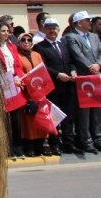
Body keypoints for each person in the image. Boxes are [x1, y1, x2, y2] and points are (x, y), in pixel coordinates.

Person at [33, 17, 78, 154]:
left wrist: (73, 70)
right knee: (55, 117)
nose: (52, 31)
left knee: (68, 116)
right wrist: (58, 74)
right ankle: (55, 144)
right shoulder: (40, 47)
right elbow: (43, 67)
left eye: (54, 28)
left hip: (68, 85)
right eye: (49, 28)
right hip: (53, 87)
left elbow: (70, 61)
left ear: (58, 29)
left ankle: (69, 143)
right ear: (44, 29)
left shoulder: (64, 44)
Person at [64, 10, 101, 153]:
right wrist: (91, 68)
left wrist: (98, 64)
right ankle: (86, 141)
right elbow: (77, 55)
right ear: (79, 23)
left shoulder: (94, 36)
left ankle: (98, 138)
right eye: (87, 20)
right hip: (84, 79)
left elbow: (99, 52)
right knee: (84, 111)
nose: (90, 23)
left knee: (97, 109)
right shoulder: (71, 37)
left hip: (96, 76)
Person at [0, 21, 25, 159]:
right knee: (5, 120)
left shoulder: (12, 47)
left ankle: (18, 147)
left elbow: (17, 65)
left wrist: (18, 77)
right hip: (2, 86)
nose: (6, 33)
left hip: (15, 85)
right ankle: (8, 148)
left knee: (16, 120)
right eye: (3, 31)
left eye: (7, 31)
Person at [15, 32, 49, 157]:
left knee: (41, 119)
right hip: (27, 93)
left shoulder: (37, 55)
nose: (26, 42)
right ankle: (29, 147)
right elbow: (18, 72)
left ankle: (41, 145)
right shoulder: (17, 56)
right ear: (19, 42)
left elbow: (43, 70)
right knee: (28, 121)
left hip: (40, 92)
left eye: (29, 40)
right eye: (23, 40)